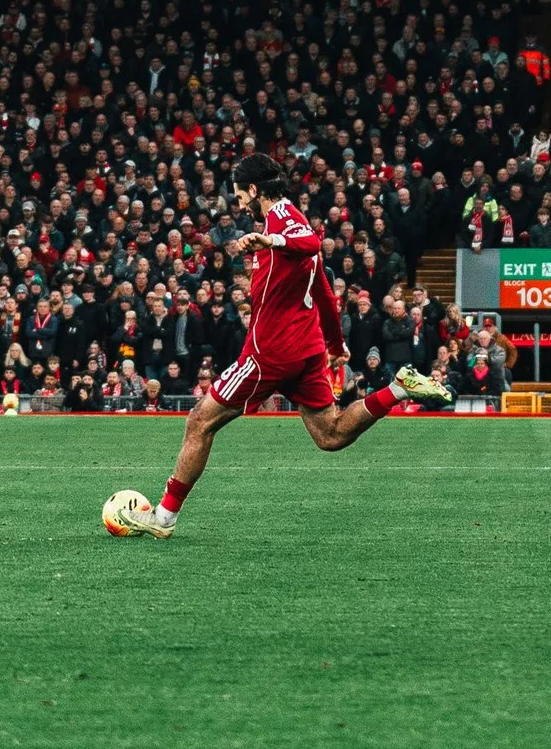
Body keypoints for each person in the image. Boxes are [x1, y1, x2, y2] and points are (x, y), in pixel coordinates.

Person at [107, 154, 448, 536]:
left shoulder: (283, 223)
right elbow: (322, 291)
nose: (239, 205)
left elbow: (310, 242)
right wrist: (334, 343)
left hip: (270, 353)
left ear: (255, 191)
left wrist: (272, 240)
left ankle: (164, 517)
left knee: (200, 421)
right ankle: (399, 387)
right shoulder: (289, 220)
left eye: (239, 196)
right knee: (330, 435)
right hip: (305, 348)